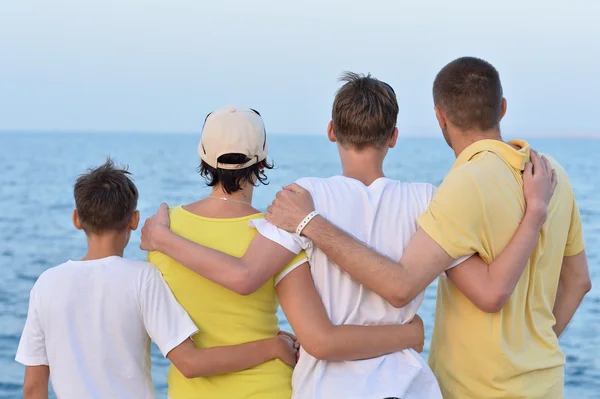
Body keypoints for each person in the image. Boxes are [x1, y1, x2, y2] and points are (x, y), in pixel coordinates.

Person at [140, 74, 554, 399]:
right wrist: (533, 214)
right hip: (407, 386)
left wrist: (163, 238)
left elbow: (246, 277)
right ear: (393, 137)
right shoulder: (426, 201)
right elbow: (489, 293)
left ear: (331, 131)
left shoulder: (306, 197)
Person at [265, 58, 592, 399]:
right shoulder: (553, 174)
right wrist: (534, 347)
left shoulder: (462, 185)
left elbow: (403, 285)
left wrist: (308, 222)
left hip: (477, 387)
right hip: (546, 381)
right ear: (503, 108)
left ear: (440, 117)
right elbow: (579, 282)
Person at [143, 105, 425, 399]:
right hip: (268, 388)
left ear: (202, 157)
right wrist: (409, 334)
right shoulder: (276, 233)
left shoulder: (161, 230)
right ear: (262, 161)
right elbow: (318, 336)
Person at [15, 160, 298, 399]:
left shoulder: (46, 284)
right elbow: (190, 363)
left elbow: (33, 387)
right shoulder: (142, 279)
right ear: (134, 220)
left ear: (77, 219)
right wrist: (271, 347)